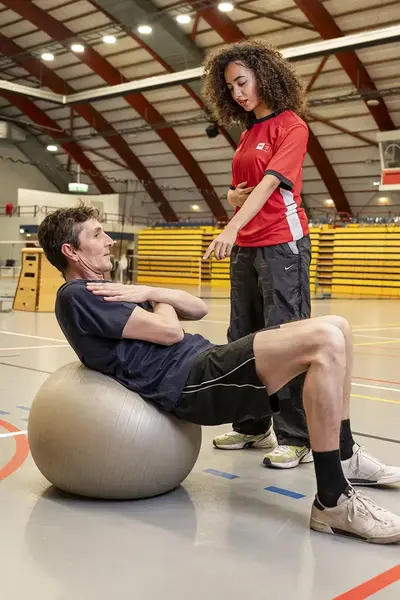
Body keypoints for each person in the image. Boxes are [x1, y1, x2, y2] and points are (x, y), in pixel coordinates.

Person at [37, 203, 400, 545]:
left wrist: (150, 291)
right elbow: (170, 331)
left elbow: (198, 308)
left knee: (339, 326)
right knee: (325, 339)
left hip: (203, 361)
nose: (109, 240)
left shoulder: (111, 290)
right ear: (71, 251)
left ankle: (346, 453)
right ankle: (333, 501)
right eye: (97, 234)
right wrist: (158, 299)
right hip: (190, 382)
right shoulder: (77, 295)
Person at [202, 40, 312, 468]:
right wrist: (231, 198)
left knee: (284, 341)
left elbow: (269, 185)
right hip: (246, 248)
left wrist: (231, 227)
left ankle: (297, 437)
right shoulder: (248, 132)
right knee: (243, 338)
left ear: (265, 77)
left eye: (242, 82)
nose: (238, 93)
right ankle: (251, 426)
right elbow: (243, 189)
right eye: (230, 87)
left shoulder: (292, 127)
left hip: (281, 244)